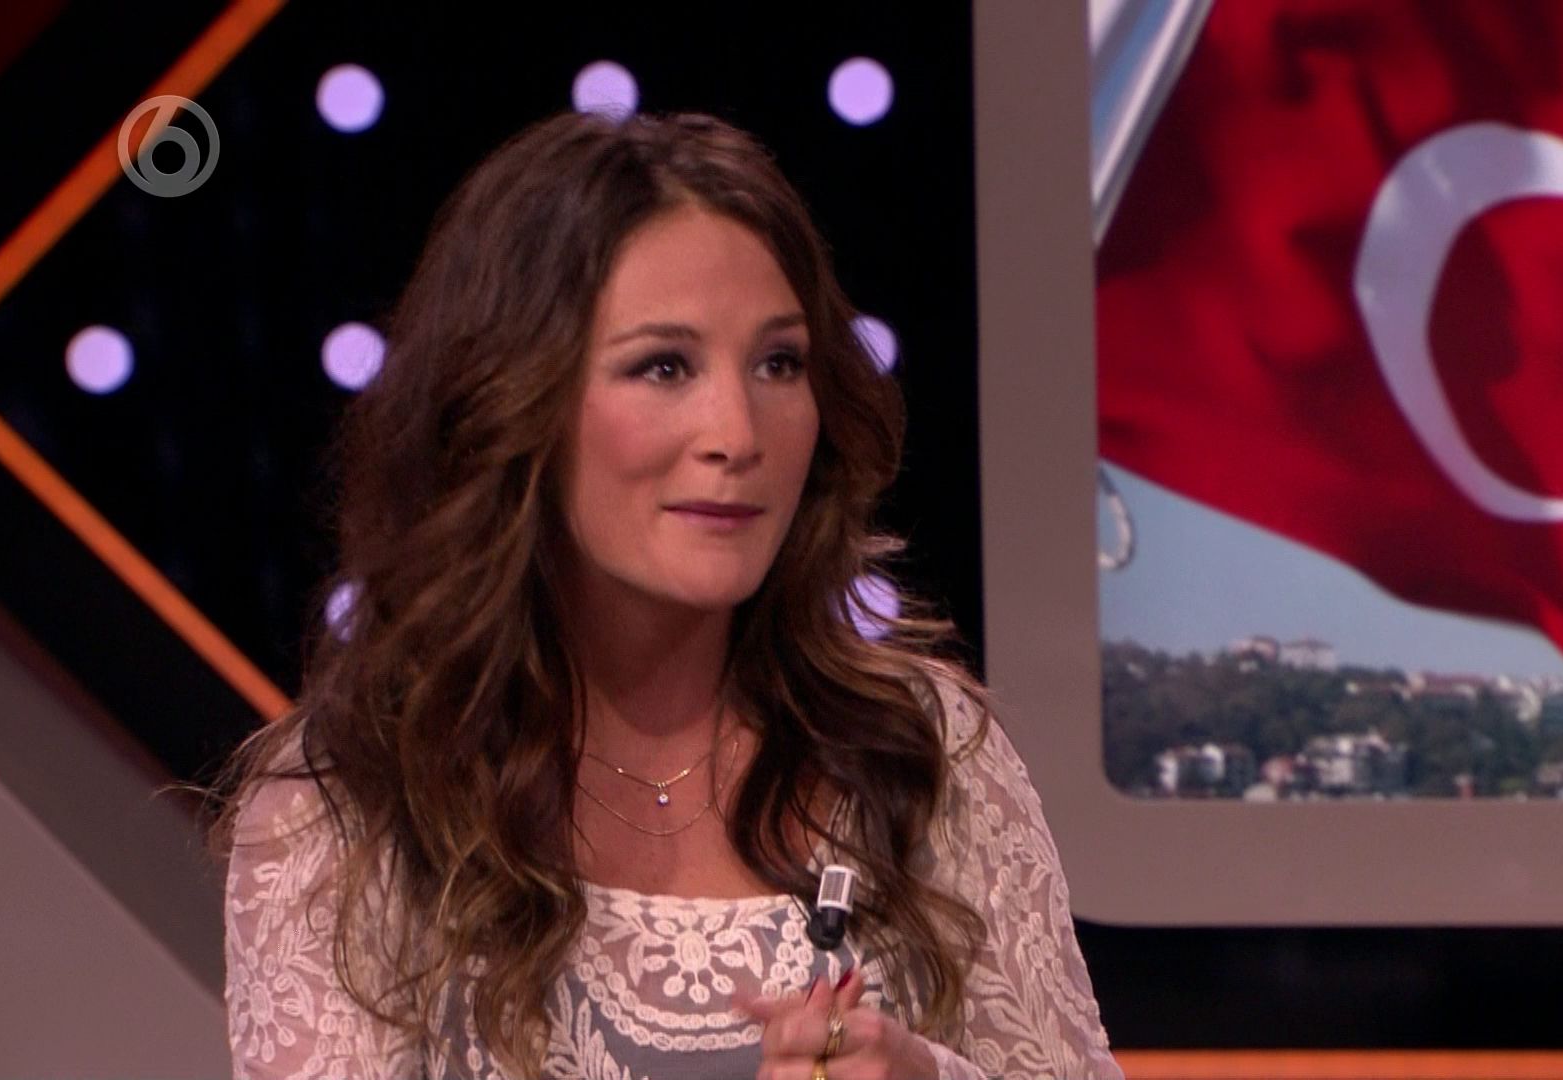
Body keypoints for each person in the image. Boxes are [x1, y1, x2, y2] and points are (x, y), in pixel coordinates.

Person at [214, 109, 1123, 1080]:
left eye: (779, 363)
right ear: (514, 401)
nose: (738, 433)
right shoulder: (348, 815)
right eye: (663, 367)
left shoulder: (918, 752)